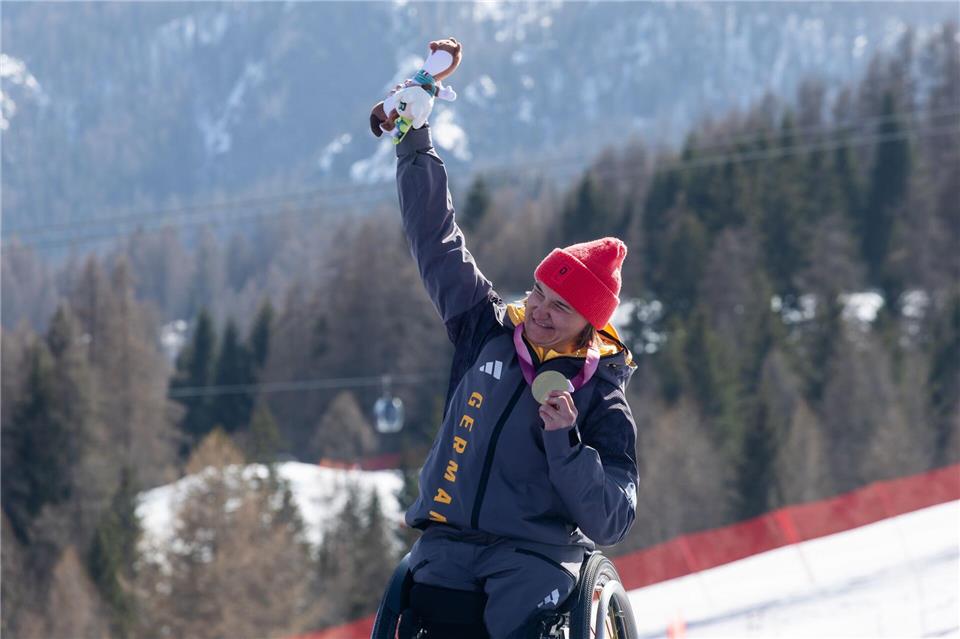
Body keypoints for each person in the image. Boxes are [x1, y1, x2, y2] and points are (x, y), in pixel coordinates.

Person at [395, 123, 638, 637]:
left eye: (562, 308)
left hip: (536, 556)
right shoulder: (485, 327)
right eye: (538, 293)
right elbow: (436, 242)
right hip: (450, 544)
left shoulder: (602, 392)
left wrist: (565, 444)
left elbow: (611, 519)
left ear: (590, 324)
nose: (540, 312)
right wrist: (415, 144)